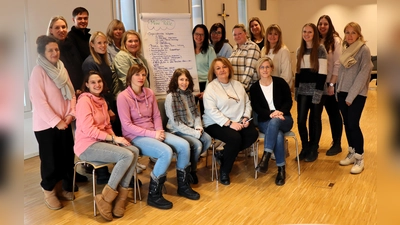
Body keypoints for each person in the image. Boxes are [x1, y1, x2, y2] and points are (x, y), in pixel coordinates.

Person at [117, 64, 200, 210]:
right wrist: (152, 134)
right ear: (130, 78)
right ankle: (153, 195)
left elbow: (156, 116)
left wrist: (159, 131)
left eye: (143, 74)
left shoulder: (149, 92)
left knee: (184, 145)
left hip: (154, 132)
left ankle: (183, 186)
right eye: (137, 75)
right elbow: (126, 125)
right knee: (166, 152)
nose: (141, 77)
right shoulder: (123, 97)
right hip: (135, 137)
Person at [74, 71, 139, 221]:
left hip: (102, 143)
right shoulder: (84, 101)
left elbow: (107, 125)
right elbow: (88, 129)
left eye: (99, 81)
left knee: (134, 150)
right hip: (87, 146)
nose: (97, 85)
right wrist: (112, 138)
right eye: (93, 82)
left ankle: (121, 198)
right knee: (126, 154)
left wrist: (116, 139)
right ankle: (106, 198)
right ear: (87, 85)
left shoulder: (102, 101)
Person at [29, 35, 76, 210]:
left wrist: (71, 115)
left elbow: (71, 94)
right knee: (50, 161)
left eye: (56, 49)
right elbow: (39, 101)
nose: (55, 52)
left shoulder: (62, 68)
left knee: (66, 158)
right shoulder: (38, 71)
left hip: (65, 122)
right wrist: (56, 121)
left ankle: (63, 187)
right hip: (46, 126)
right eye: (50, 50)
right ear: (42, 53)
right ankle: (49, 191)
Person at [202, 57, 259, 185]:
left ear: (229, 68)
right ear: (214, 72)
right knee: (235, 138)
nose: (222, 70)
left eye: (224, 66)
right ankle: (224, 171)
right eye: (218, 68)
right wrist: (229, 123)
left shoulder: (237, 85)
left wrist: (245, 117)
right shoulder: (211, 88)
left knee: (252, 134)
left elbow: (247, 103)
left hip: (238, 121)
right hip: (215, 123)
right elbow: (211, 110)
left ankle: (224, 154)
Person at [81, 31, 119, 184]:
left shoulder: (104, 60)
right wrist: (107, 107)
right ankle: (102, 174)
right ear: (92, 45)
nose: (103, 46)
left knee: (106, 131)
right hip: (98, 103)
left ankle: (108, 172)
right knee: (98, 133)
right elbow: (95, 88)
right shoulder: (90, 62)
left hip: (104, 101)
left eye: (105, 43)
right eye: (99, 43)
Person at [250, 57, 293, 186]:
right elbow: (257, 108)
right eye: (262, 67)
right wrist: (271, 114)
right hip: (265, 120)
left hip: (284, 118)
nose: (265, 69)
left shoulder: (280, 82)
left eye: (267, 67)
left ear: (272, 68)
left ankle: (266, 157)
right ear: (258, 70)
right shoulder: (254, 88)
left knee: (275, 123)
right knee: (278, 134)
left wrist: (280, 112)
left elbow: (288, 101)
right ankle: (281, 170)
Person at [164, 68, 212, 184]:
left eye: (186, 80)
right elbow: (177, 123)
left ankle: (189, 164)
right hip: (176, 130)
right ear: (176, 80)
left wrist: (198, 127)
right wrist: (195, 133)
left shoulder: (190, 95)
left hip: (191, 128)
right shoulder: (171, 97)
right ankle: (192, 171)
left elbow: (196, 114)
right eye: (181, 79)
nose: (184, 82)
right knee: (197, 145)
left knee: (207, 139)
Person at [336, 22, 372, 174]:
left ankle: (359, 157)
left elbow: (363, 74)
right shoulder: (345, 49)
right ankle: (351, 152)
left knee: (353, 124)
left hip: (357, 94)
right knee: (347, 124)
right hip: (342, 92)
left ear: (359, 34)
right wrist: (338, 91)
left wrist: (351, 96)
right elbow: (341, 72)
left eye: (353, 32)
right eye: (347, 32)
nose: (350, 36)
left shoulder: (364, 50)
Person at [294, 23, 327, 162]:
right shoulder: (299, 50)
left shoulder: (320, 49)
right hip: (302, 91)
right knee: (301, 120)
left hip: (316, 90)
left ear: (314, 34)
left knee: (315, 120)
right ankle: (305, 147)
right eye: (304, 31)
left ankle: (314, 148)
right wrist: (296, 90)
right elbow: (298, 72)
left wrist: (318, 92)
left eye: (309, 32)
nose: (306, 34)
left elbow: (323, 73)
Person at [317, 15, 344, 156]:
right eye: (320, 23)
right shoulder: (316, 40)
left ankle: (337, 143)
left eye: (325, 24)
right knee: (316, 115)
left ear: (330, 25)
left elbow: (337, 64)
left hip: (330, 82)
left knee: (333, 114)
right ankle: (314, 144)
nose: (322, 26)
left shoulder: (335, 41)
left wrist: (332, 84)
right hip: (317, 83)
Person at [47, 16, 85, 94]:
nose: (61, 30)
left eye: (63, 27)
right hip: (62, 93)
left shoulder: (72, 44)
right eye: (57, 28)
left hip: (79, 90)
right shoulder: (49, 50)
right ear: (51, 30)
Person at [192, 24, 217, 115]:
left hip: (205, 84)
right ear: (193, 34)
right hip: (190, 85)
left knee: (205, 113)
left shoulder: (210, 50)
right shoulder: (188, 50)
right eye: (196, 34)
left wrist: (206, 91)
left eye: (202, 35)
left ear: (205, 36)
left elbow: (212, 71)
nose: (199, 37)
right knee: (190, 113)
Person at [228, 24, 260, 92]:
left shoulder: (252, 47)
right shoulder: (235, 48)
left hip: (247, 89)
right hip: (235, 88)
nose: (237, 36)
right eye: (235, 34)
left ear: (245, 33)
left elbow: (249, 69)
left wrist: (242, 87)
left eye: (239, 33)